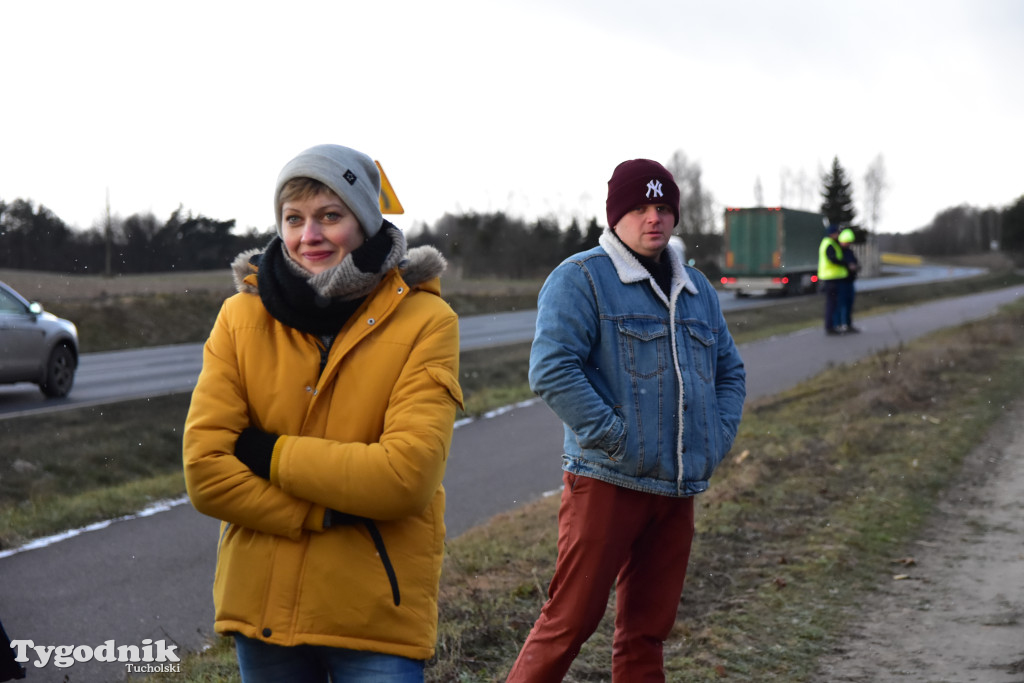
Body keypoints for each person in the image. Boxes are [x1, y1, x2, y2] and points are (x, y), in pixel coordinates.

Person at [183, 144, 463, 683]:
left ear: (363, 221)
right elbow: (206, 474)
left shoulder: (427, 321)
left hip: (376, 613)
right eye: (294, 219)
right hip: (263, 612)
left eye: (329, 217)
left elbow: (403, 479)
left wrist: (266, 451)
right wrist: (323, 512)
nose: (308, 236)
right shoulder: (239, 318)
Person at [506, 159, 746, 682]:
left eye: (663, 207)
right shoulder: (581, 279)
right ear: (616, 214)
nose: (652, 218)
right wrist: (614, 439)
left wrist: (715, 437)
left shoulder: (697, 289)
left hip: (676, 488)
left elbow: (729, 370)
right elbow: (551, 369)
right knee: (569, 622)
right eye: (639, 207)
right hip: (607, 482)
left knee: (647, 634)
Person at [818, 223, 849, 336]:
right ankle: (830, 327)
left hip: (832, 278)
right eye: (837, 233)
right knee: (832, 304)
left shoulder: (830, 243)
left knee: (833, 303)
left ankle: (831, 326)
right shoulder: (829, 244)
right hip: (830, 278)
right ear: (833, 233)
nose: (838, 235)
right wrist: (845, 264)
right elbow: (832, 259)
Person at [835, 227, 860, 333]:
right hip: (841, 281)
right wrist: (848, 265)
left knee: (849, 304)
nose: (848, 244)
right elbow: (839, 262)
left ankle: (848, 324)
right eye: (846, 242)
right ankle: (840, 324)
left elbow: (856, 263)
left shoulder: (850, 252)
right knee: (841, 304)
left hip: (850, 281)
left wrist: (856, 267)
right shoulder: (839, 252)